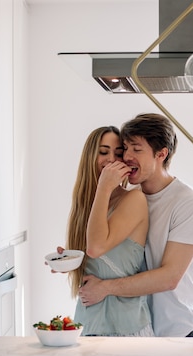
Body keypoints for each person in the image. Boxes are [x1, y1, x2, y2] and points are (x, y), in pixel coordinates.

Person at [78, 113, 193, 337]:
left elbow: (169, 277)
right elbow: (113, 255)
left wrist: (105, 288)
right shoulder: (130, 198)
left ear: (161, 154)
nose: (126, 157)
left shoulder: (188, 202)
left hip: (174, 330)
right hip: (134, 324)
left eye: (136, 150)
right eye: (125, 149)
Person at [63, 125, 153, 336]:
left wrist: (104, 186)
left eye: (118, 154)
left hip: (127, 327)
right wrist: (69, 260)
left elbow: (96, 247)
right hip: (89, 324)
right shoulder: (87, 206)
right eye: (103, 152)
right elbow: (94, 260)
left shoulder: (133, 199)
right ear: (90, 157)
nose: (111, 159)